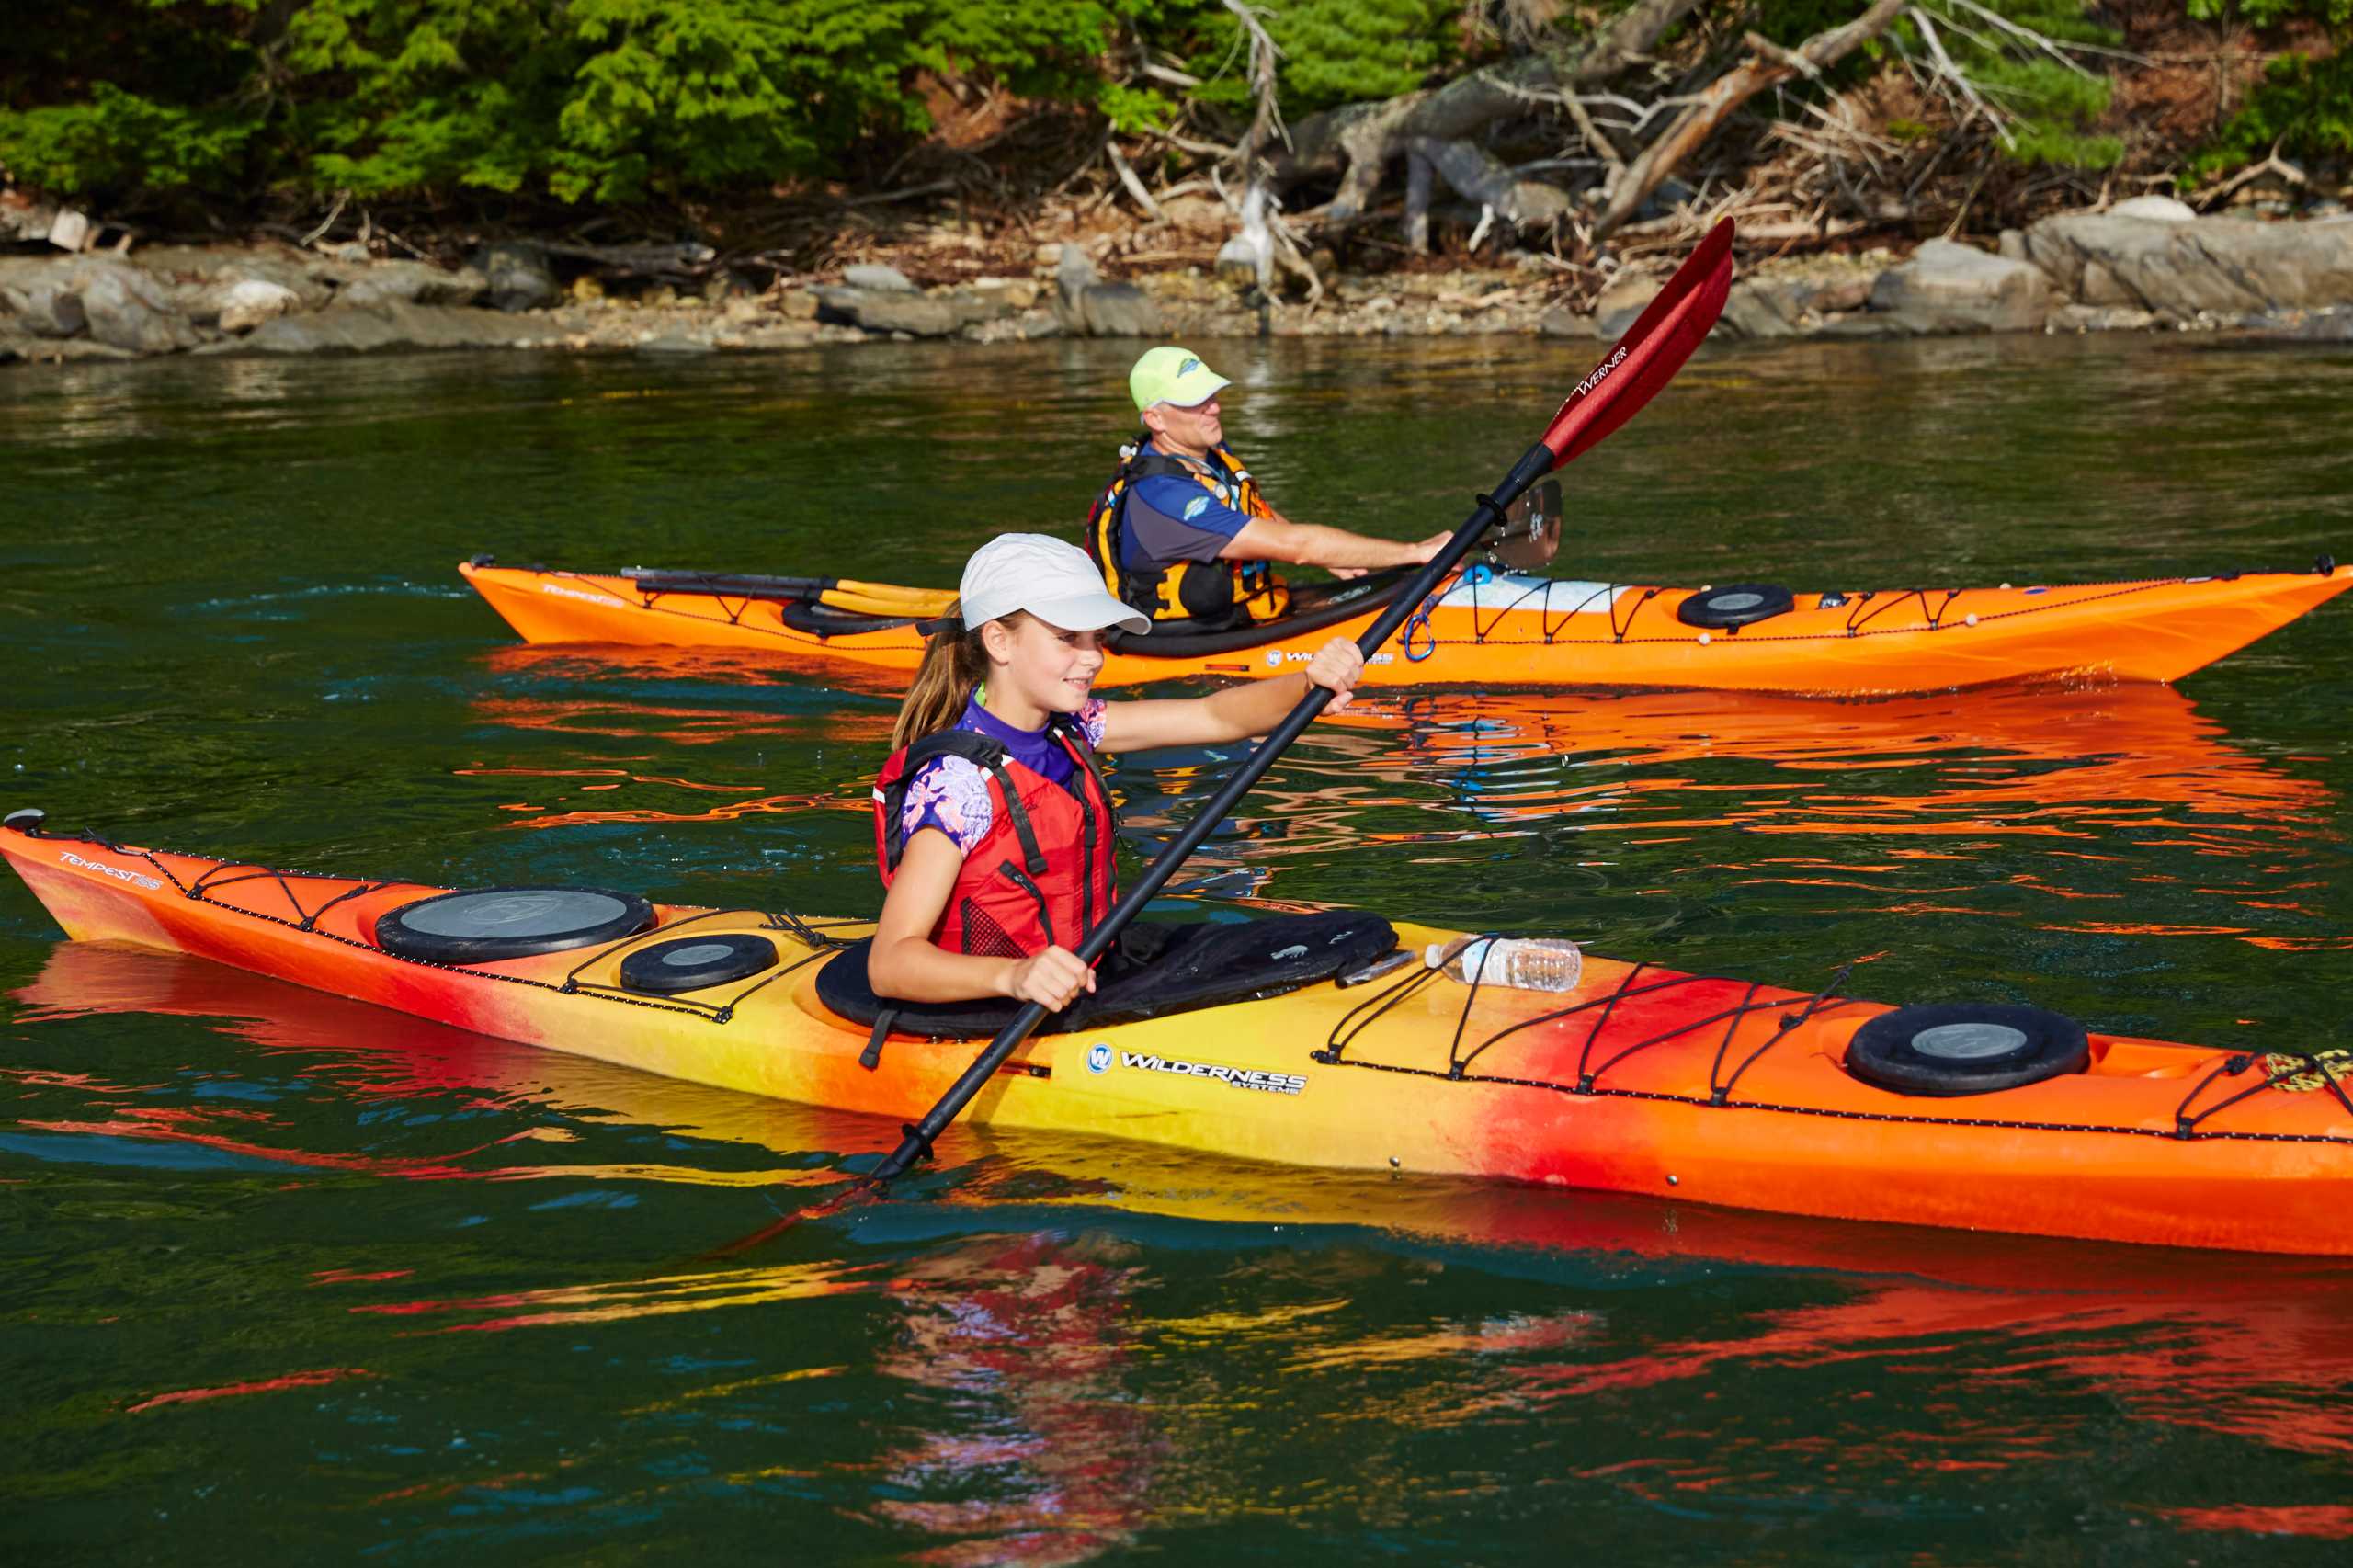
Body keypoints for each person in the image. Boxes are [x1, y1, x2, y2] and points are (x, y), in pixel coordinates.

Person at [869, 533, 1363, 1011]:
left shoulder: (1071, 727)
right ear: (999, 641)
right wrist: (1014, 976)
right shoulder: (955, 786)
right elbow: (890, 962)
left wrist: (1306, 685)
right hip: (998, 1003)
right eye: (1067, 638)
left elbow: (1215, 716)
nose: (1093, 658)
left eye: (1098, 638)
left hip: (1088, 973)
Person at [1081, 346, 1450, 631]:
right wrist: (1417, 552)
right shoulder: (1166, 498)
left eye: (1211, 395)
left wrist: (1337, 558)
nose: (1213, 408)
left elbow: (1252, 509)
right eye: (1195, 402)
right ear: (1155, 418)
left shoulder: (1205, 456)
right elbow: (1299, 548)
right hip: (1188, 641)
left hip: (1244, 613)